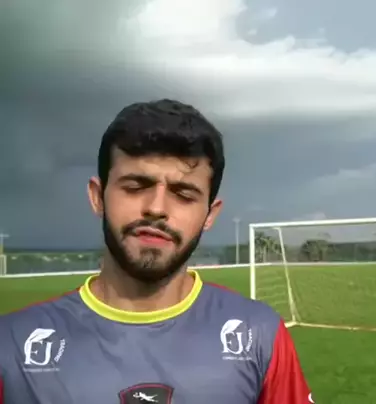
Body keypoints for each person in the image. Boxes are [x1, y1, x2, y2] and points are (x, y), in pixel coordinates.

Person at [0, 99, 314, 404]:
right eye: (135, 186)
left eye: (184, 194)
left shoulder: (259, 334)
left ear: (210, 215)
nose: (156, 208)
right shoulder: (12, 341)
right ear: (97, 197)